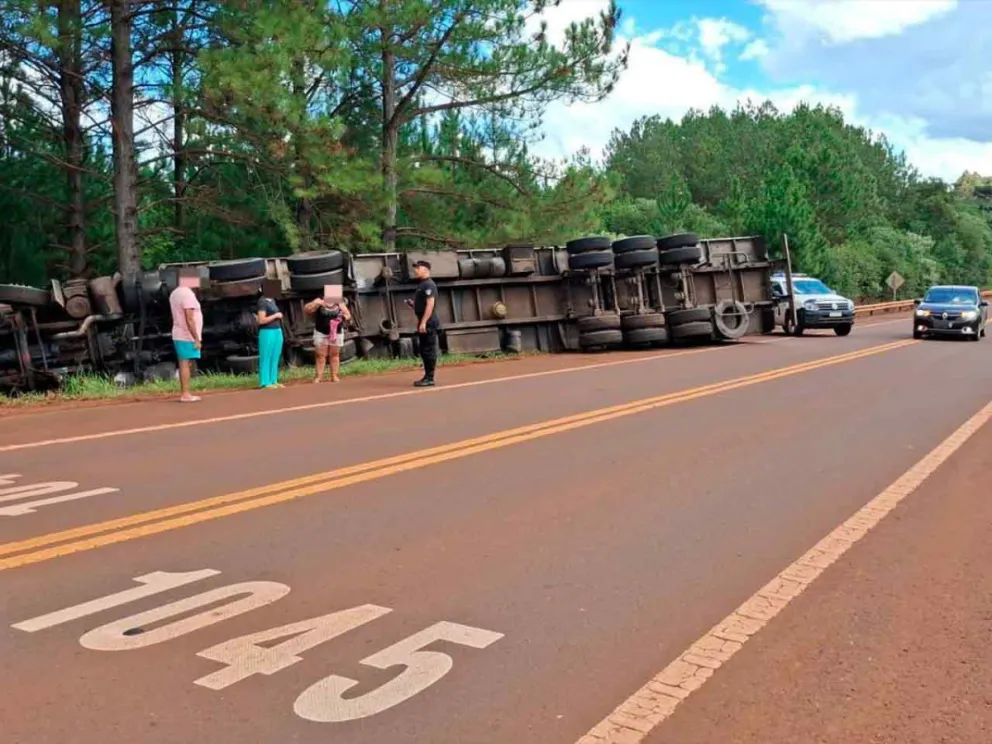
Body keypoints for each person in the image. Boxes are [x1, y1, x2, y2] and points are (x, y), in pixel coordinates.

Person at [169, 268, 203, 403]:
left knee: (185, 362)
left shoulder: (175, 293)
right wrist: (196, 338)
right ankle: (185, 393)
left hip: (179, 332)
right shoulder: (187, 294)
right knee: (184, 363)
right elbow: (189, 318)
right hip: (186, 334)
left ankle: (186, 392)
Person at [305, 290, 351, 383]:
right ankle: (318, 377)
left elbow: (348, 314)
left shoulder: (339, 302)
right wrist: (315, 303)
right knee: (320, 355)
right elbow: (307, 310)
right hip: (321, 332)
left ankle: (334, 376)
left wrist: (341, 318)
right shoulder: (319, 301)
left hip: (336, 332)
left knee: (334, 354)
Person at [407, 259, 440, 387]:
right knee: (424, 349)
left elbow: (430, 304)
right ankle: (427, 376)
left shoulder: (429, 285)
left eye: (418, 268)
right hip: (423, 319)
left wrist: (424, 322)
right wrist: (413, 305)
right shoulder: (422, 284)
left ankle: (429, 378)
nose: (416, 270)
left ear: (425, 269)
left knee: (428, 349)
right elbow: (422, 305)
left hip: (429, 321)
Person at [256, 282, 285, 389]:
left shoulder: (272, 300)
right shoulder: (262, 302)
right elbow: (261, 320)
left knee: (275, 356)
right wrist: (276, 315)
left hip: (277, 330)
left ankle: (274, 380)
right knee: (266, 356)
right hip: (267, 331)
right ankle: (265, 381)